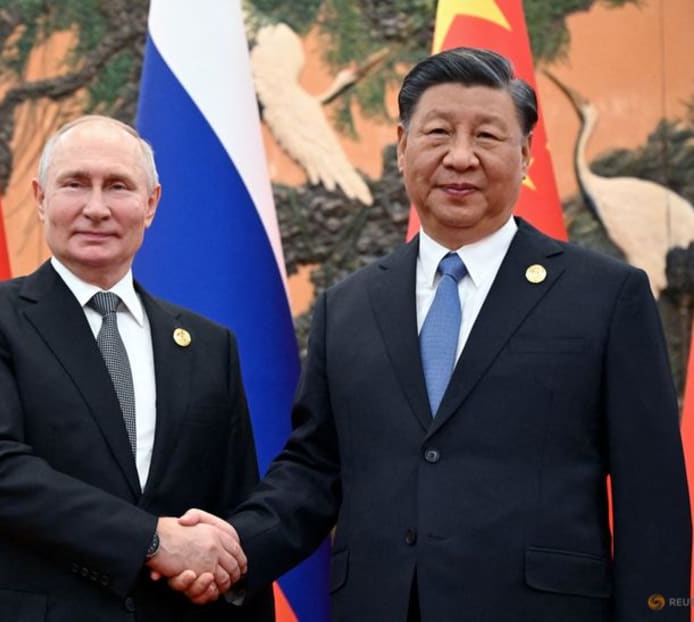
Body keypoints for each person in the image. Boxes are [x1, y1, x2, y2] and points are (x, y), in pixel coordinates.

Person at [172, 48, 692, 620]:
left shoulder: (606, 295)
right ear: (401, 147)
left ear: (524, 155)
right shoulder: (349, 306)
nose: (460, 157)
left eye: (488, 137)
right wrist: (234, 547)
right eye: (438, 132)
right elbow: (313, 472)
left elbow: (654, 496)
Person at [0, 115, 274, 621]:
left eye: (117, 186)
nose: (95, 208)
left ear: (151, 204)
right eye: (74, 184)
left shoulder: (207, 345)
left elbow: (232, 514)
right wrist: (151, 541)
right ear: (41, 197)